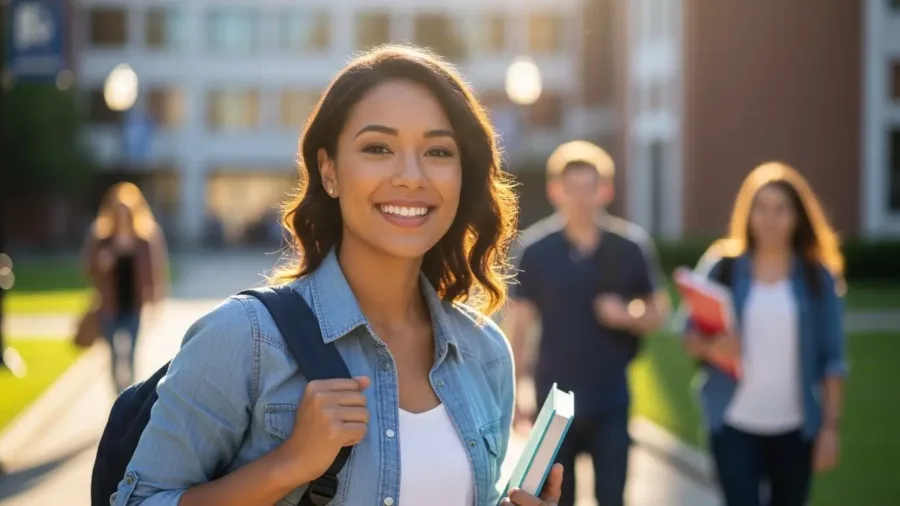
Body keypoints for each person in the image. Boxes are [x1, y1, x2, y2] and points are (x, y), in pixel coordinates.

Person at [112, 45, 563, 506]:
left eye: (438, 151)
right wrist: (288, 465)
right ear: (329, 171)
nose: (411, 175)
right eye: (378, 148)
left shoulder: (485, 353)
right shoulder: (244, 339)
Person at [504, 141, 670, 506]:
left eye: (589, 188)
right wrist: (517, 398)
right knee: (555, 500)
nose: (580, 198)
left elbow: (660, 312)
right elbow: (519, 329)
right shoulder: (537, 249)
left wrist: (626, 315)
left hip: (611, 399)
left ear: (605, 190)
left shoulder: (629, 246)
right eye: (572, 188)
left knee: (612, 497)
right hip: (555, 403)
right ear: (555, 191)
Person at [680, 162, 846, 506]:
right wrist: (714, 348)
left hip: (796, 428)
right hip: (733, 423)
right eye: (761, 208)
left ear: (798, 216)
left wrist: (830, 428)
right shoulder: (721, 266)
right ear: (748, 212)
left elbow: (833, 359)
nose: (769, 219)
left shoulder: (818, 278)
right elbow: (689, 338)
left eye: (780, 209)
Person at [82, 182, 169, 392]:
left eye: (126, 213)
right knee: (113, 354)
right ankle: (116, 395)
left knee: (130, 354)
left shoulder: (144, 238)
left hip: (134, 304)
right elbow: (87, 267)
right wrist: (103, 263)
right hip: (109, 305)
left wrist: (157, 298)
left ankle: (128, 395)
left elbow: (156, 269)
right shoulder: (101, 237)